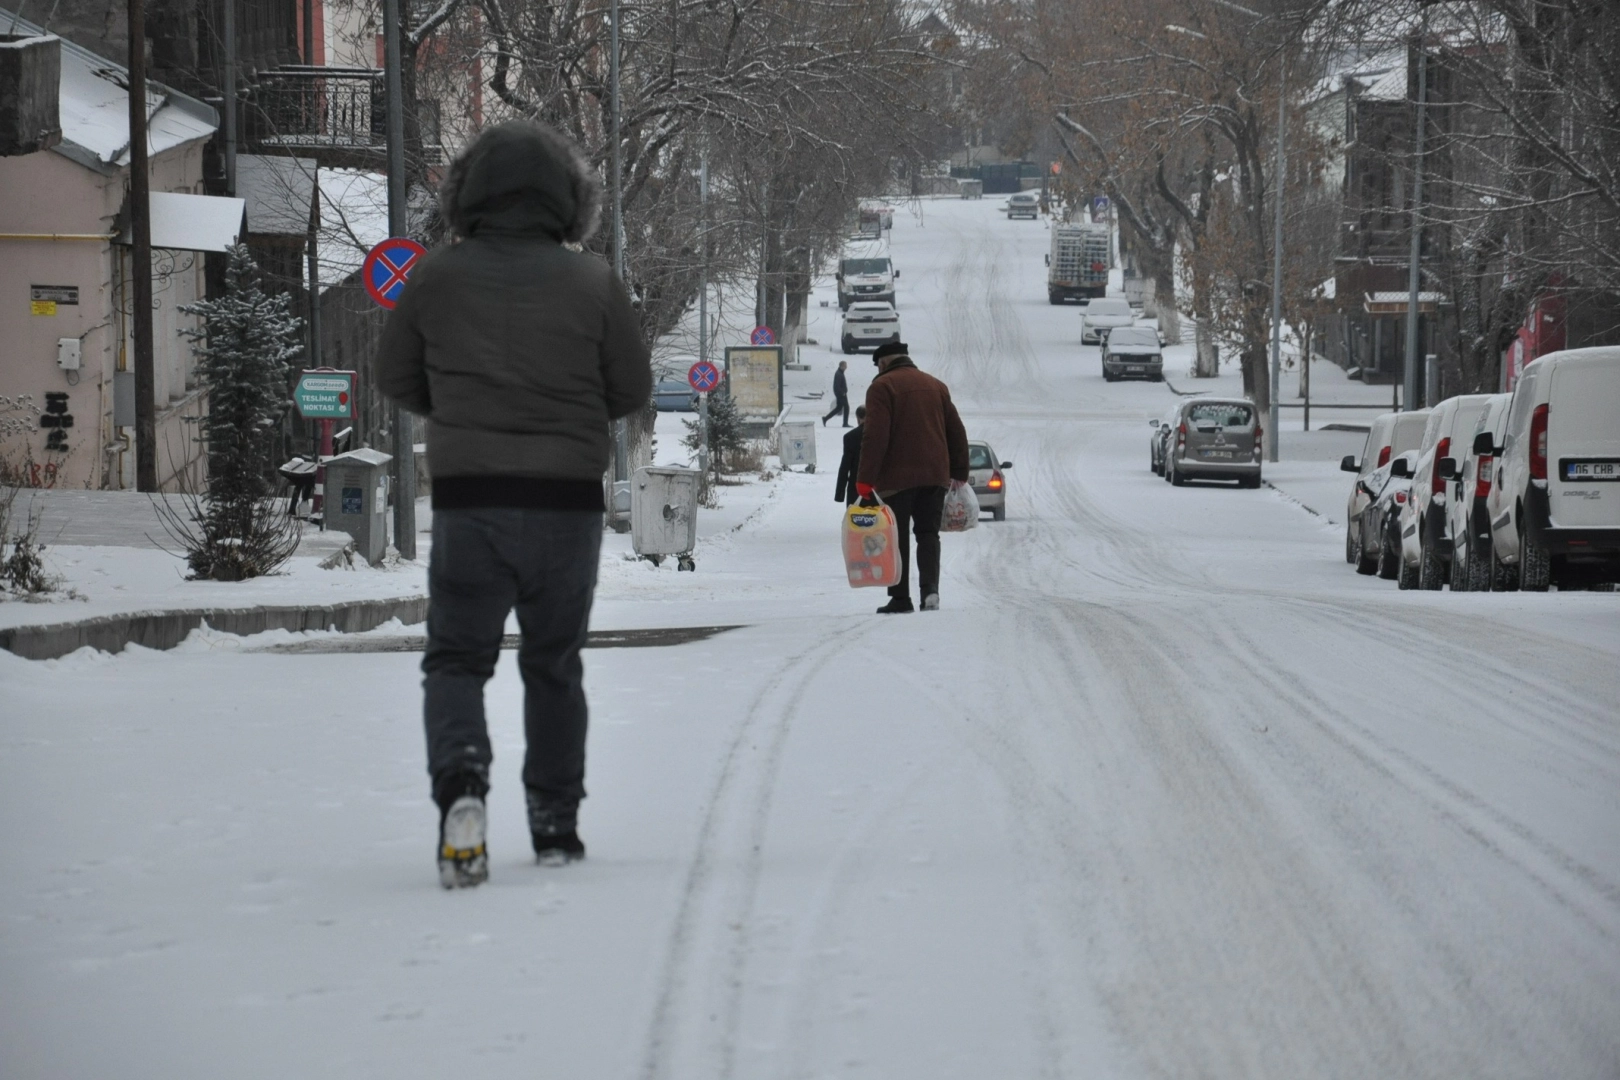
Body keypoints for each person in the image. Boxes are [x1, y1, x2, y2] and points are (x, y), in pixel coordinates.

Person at [376, 120, 652, 888]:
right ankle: (556, 822)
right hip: (567, 506)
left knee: (458, 660)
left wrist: (459, 406)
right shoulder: (593, 282)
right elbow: (629, 389)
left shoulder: (435, 276)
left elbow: (395, 376)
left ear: (467, 196)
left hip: (471, 505)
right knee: (553, 664)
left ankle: (462, 784)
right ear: (570, 201)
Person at [855, 341, 969, 614]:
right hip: (934, 477)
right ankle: (930, 592)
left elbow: (875, 436)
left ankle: (900, 598)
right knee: (928, 534)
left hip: (896, 479)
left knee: (897, 537)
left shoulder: (882, 387)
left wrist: (865, 478)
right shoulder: (936, 385)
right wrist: (960, 471)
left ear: (883, 364)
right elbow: (957, 431)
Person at [834, 405, 867, 505]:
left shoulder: (850, 437)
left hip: (856, 489)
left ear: (858, 418)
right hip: (880, 490)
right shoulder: (883, 435)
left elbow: (845, 467)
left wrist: (839, 494)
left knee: (854, 518)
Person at [822, 360, 850, 427]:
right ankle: (845, 423)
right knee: (846, 407)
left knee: (839, 408)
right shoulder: (838, 374)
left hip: (841, 393)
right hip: (841, 394)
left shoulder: (840, 373)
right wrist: (842, 393)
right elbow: (837, 386)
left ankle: (825, 418)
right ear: (841, 366)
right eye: (845, 365)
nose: (846, 367)